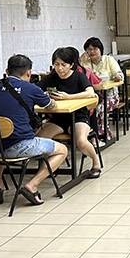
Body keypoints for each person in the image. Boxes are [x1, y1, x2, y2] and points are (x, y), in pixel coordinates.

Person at [0, 54, 67, 206]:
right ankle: (32, 186)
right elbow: (50, 106)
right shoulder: (31, 88)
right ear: (29, 73)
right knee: (62, 150)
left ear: (7, 70)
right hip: (19, 146)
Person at [38, 46, 103, 178]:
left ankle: (96, 163)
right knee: (40, 139)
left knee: (81, 141)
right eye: (56, 64)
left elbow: (90, 92)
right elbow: (36, 89)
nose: (60, 68)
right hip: (58, 118)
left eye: (63, 65)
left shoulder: (79, 76)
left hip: (79, 116)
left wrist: (68, 97)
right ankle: (50, 167)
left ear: (71, 65)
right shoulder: (52, 77)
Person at [80, 36, 123, 140]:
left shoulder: (108, 60)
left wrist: (117, 76)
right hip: (92, 96)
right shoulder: (85, 63)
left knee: (99, 108)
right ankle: (87, 135)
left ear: (100, 49)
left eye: (95, 49)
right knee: (85, 109)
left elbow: (119, 75)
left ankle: (101, 134)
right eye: (89, 49)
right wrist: (81, 62)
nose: (92, 52)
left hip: (110, 96)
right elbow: (81, 78)